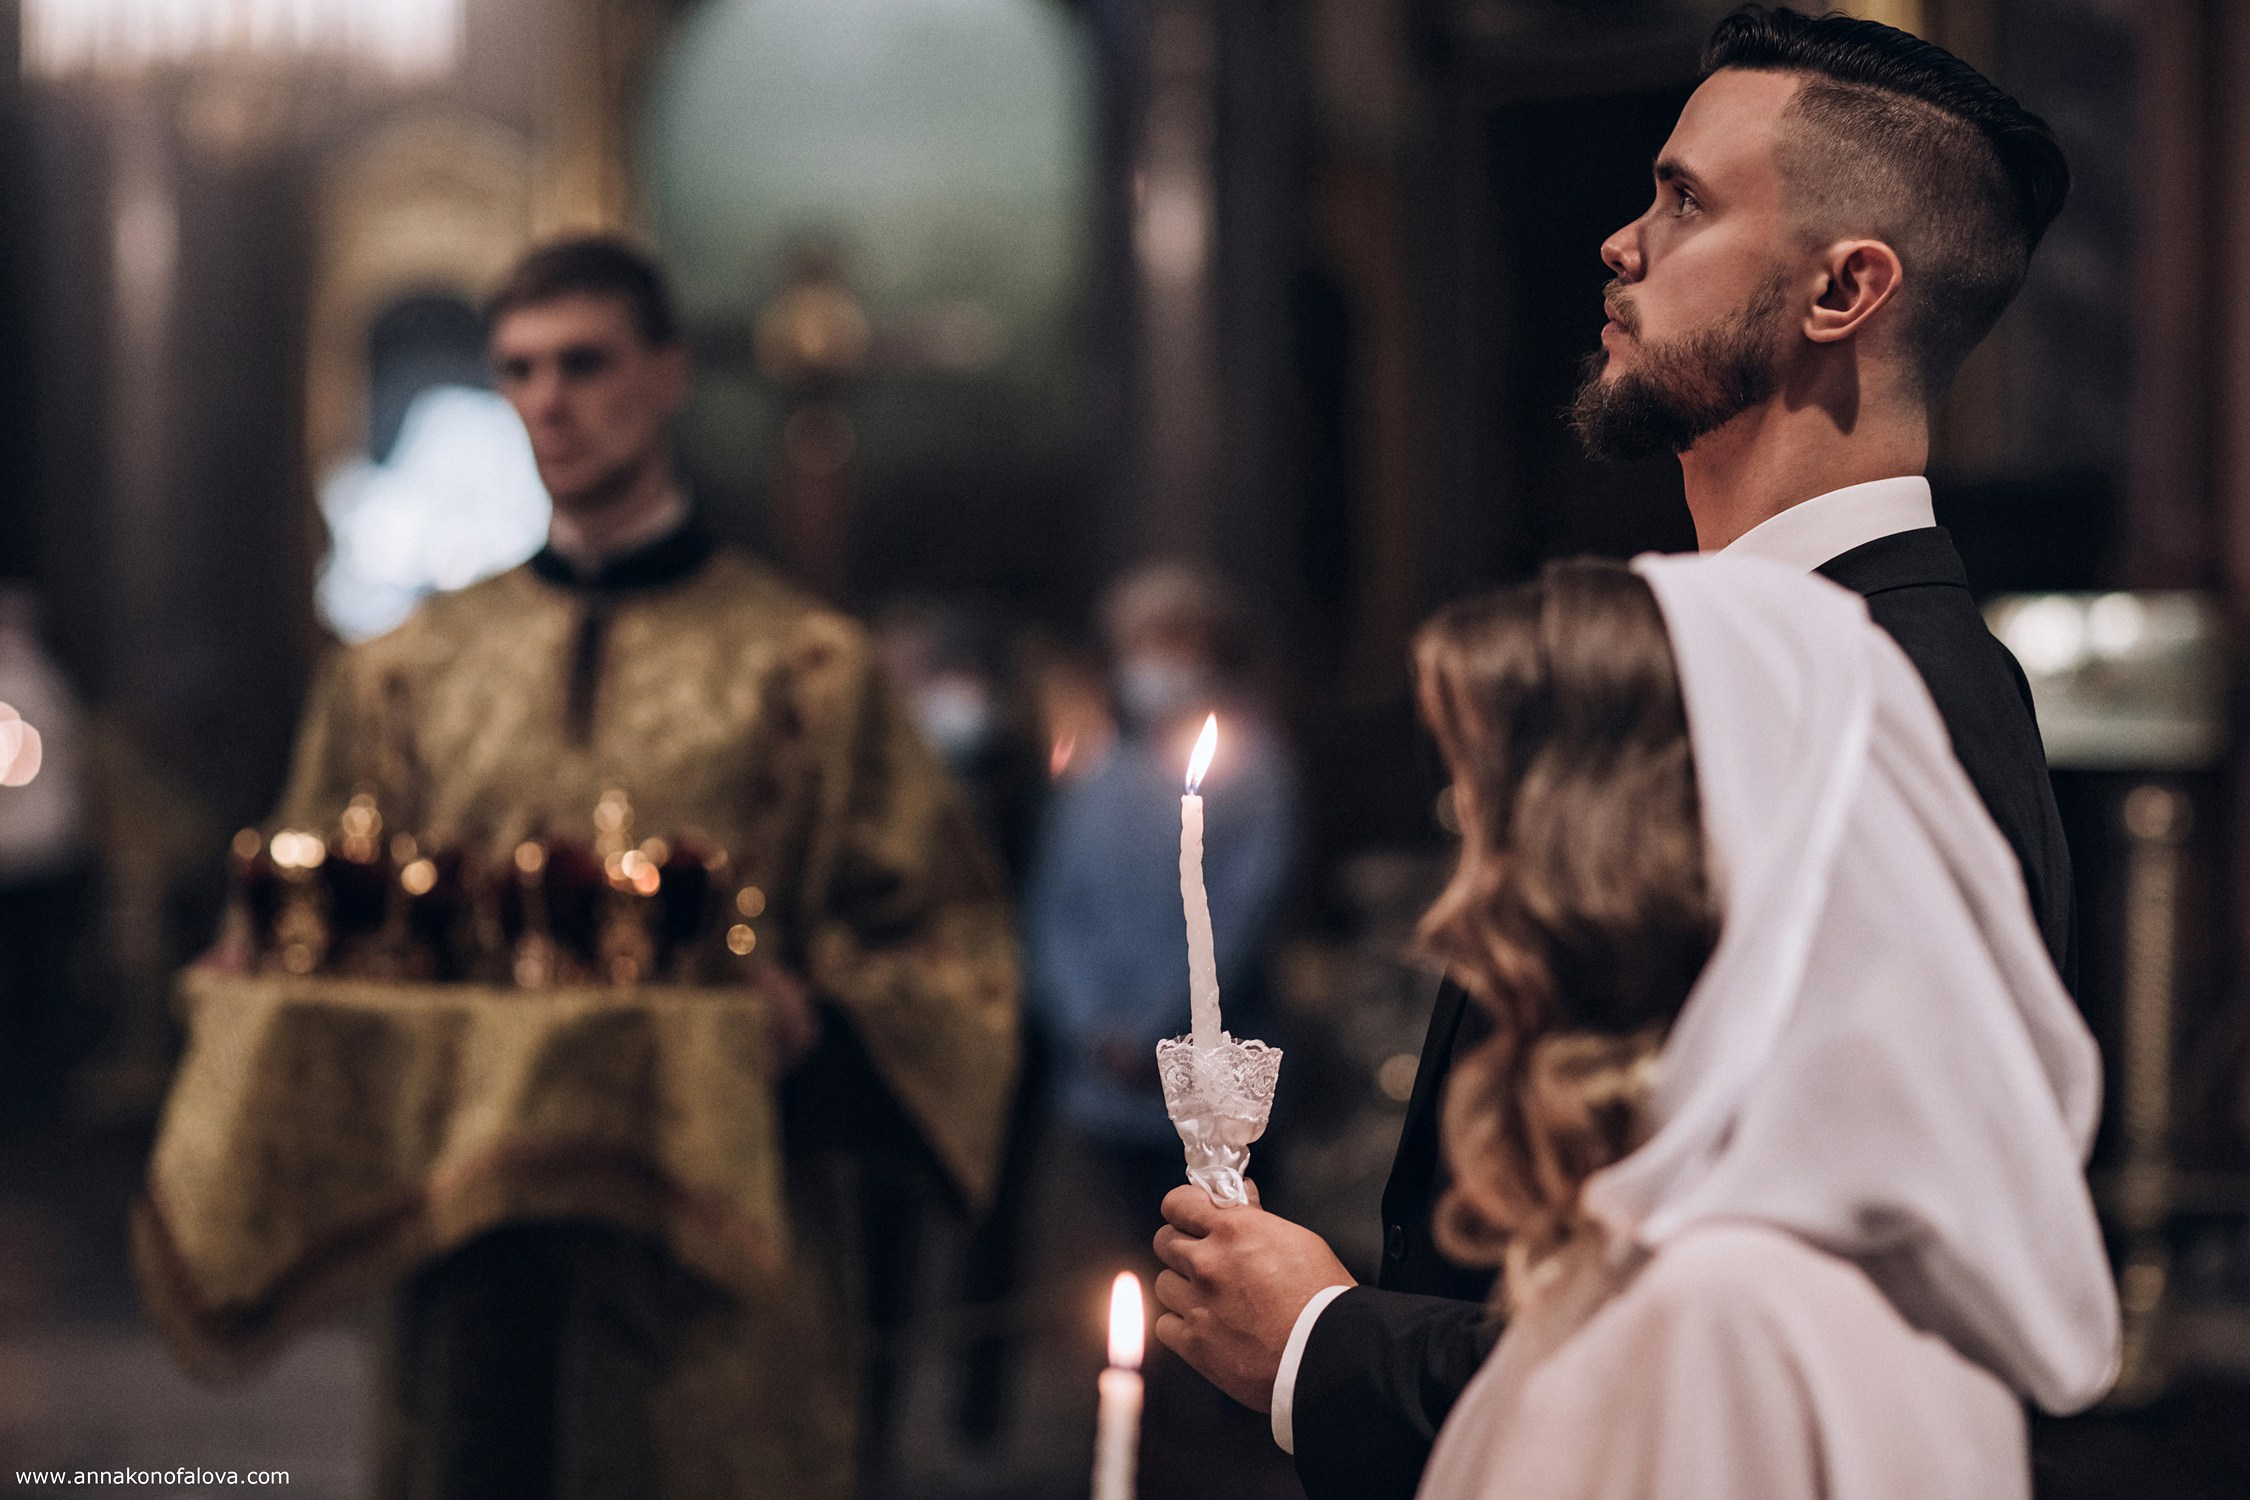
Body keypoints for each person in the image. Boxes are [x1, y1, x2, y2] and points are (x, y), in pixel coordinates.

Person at [1153, 10, 2086, 1497]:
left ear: (1845, 287)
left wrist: (1323, 1346)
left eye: (1684, 199)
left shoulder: (1883, 704)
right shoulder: (1734, 664)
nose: (1618, 239)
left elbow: (1777, 1334)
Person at [260, 238, 1019, 1497]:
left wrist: (818, 1023)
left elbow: (954, 951)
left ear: (666, 375)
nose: (548, 401)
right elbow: (320, 909)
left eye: (584, 364)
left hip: (713, 1261)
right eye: (518, 371)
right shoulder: (404, 672)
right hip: (467, 1246)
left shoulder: (807, 667)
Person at [1406, 555, 2116, 1497]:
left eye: (1495, 833)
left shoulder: (1718, 1323)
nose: (1455, 916)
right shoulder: (1806, 1278)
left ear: (1610, 885)